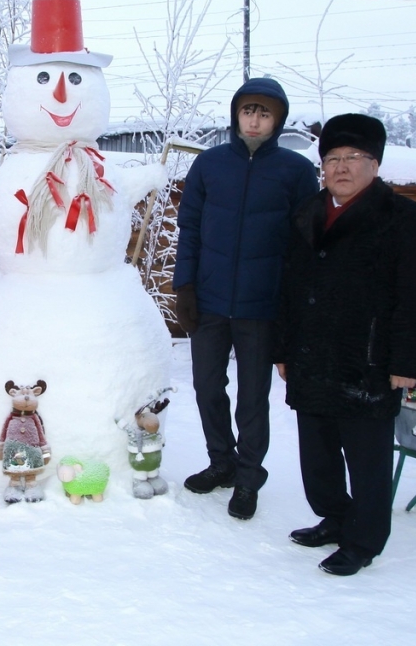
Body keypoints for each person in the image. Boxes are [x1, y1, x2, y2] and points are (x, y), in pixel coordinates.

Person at [275, 113, 416, 576]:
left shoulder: (403, 218)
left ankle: (364, 540)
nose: (341, 167)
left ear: (375, 164)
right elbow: (289, 285)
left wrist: (405, 362)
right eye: (332, 159)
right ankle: (334, 515)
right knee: (318, 454)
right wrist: (284, 349)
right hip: (311, 357)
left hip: (367, 360)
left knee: (366, 460)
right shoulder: (307, 213)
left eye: (353, 158)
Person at [173, 78, 318, 520]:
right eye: (248, 111)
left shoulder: (295, 171)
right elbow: (190, 229)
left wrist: (291, 307)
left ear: (277, 120)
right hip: (211, 300)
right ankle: (223, 462)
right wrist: (185, 287)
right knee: (206, 387)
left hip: (262, 305)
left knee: (253, 398)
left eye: (265, 113)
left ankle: (249, 476)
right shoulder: (210, 165)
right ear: (236, 115)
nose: (255, 120)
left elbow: (304, 246)